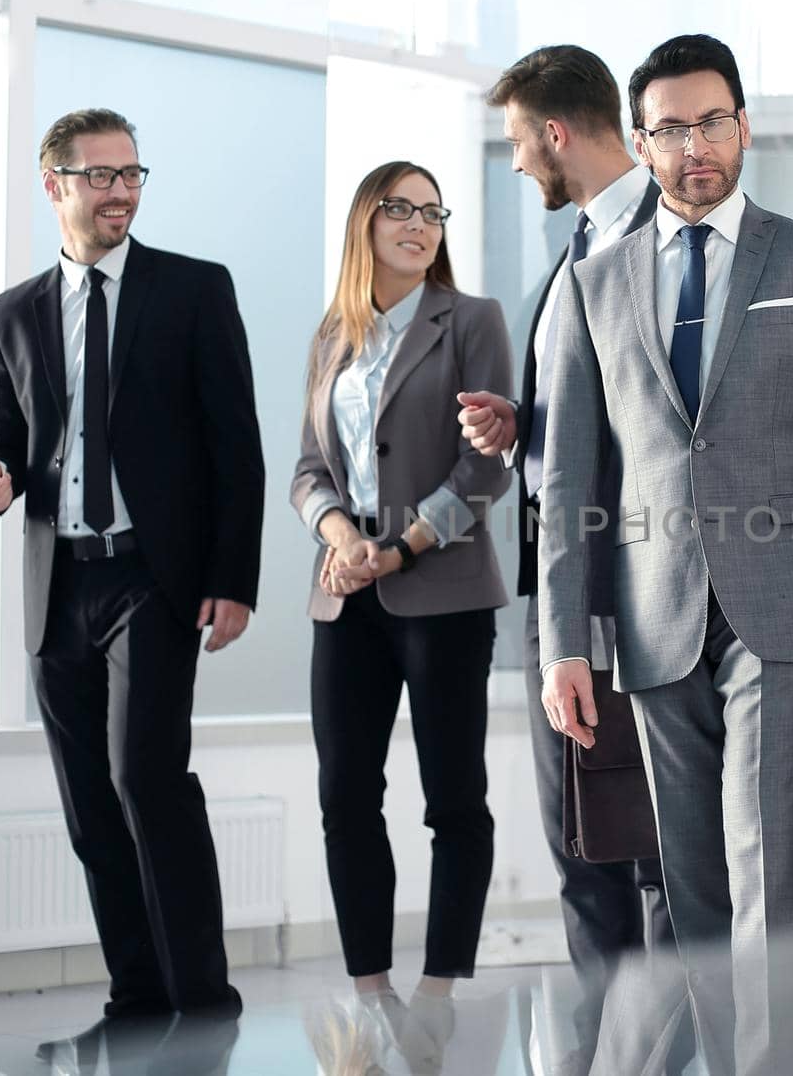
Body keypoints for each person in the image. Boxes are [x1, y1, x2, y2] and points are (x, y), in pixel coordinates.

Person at [536, 34, 793, 1076]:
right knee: (695, 887)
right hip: (655, 616)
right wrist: (560, 644)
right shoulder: (593, 283)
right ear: (639, 141)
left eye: (712, 121)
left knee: (766, 862)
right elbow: (567, 480)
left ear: (743, 126)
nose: (693, 145)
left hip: (786, 610)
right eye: (669, 127)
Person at [0, 108, 263, 1044]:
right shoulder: (11, 313)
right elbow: (1, 432)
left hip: (155, 578)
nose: (121, 192)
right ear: (54, 185)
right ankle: (135, 1001)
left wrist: (235, 578)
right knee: (91, 802)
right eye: (101, 176)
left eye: (133, 174)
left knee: (148, 777)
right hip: (59, 587)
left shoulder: (193, 290)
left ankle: (203, 1002)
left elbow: (236, 448)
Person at [455, 44, 683, 1076]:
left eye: (515, 143)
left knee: (636, 860)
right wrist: (527, 425)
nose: (514, 167)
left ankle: (644, 1056)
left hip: (627, 600)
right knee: (586, 849)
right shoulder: (587, 239)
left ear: (554, 132)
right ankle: (602, 1056)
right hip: (564, 598)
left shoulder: (665, 235)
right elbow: (596, 411)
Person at [290, 161, 513, 1068]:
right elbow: (307, 470)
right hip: (346, 599)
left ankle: (440, 990)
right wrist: (343, 536)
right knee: (346, 794)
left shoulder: (471, 321)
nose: (418, 225)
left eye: (432, 212)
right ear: (365, 225)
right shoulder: (330, 337)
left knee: (453, 796)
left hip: (443, 589)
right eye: (399, 210)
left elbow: (489, 467)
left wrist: (405, 544)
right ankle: (370, 992)